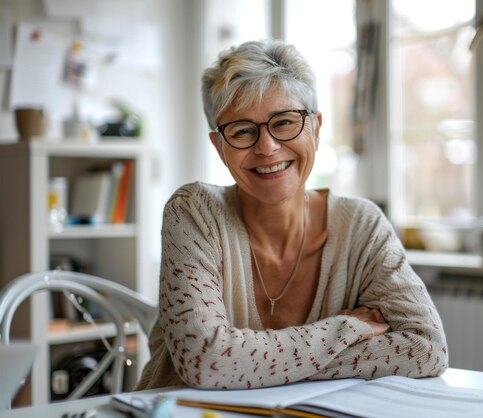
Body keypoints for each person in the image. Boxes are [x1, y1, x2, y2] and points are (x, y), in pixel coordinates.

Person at [136, 39, 448, 391]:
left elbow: (427, 348)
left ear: (315, 128)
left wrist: (249, 362)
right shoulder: (193, 213)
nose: (266, 147)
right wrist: (344, 330)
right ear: (219, 146)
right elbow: (206, 361)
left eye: (284, 123)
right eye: (242, 130)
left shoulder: (362, 225)